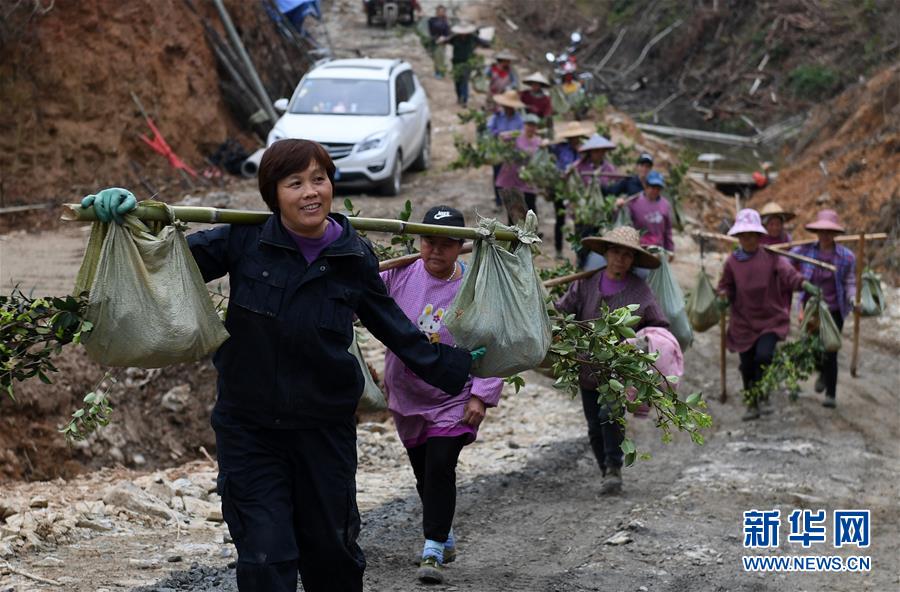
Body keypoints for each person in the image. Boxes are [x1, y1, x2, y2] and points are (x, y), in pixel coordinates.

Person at [79, 140, 485, 592]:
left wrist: (460, 365)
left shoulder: (353, 255)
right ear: (273, 195)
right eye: (295, 183)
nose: (311, 192)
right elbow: (163, 265)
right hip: (250, 429)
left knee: (333, 557)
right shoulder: (243, 239)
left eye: (319, 179)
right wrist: (128, 222)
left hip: (324, 430)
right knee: (266, 556)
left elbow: (394, 327)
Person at [379, 206, 504, 585]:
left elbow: (492, 341)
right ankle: (444, 532)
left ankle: (432, 547)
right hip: (406, 393)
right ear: (419, 240)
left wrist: (481, 395)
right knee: (423, 473)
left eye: (446, 244)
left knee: (440, 467)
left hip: (452, 395)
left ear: (461, 247)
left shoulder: (473, 288)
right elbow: (358, 295)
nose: (435, 251)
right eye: (428, 241)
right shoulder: (397, 275)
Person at [555, 226, 668, 494]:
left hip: (619, 370)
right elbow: (563, 311)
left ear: (633, 260)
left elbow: (658, 325)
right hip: (587, 367)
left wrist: (641, 343)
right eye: (616, 252)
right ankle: (605, 467)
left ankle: (614, 468)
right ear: (606, 253)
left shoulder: (639, 291)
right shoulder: (585, 283)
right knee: (594, 425)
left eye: (627, 255)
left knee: (610, 415)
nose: (620, 259)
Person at [716, 209, 819, 421]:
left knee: (763, 357)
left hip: (768, 319)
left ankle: (763, 391)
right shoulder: (732, 263)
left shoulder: (771, 257)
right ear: (738, 238)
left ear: (759, 236)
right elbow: (725, 285)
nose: (748, 240)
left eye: (752, 235)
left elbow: (789, 274)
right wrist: (723, 296)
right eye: (744, 236)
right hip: (743, 321)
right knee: (746, 364)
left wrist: (803, 283)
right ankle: (751, 403)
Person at [790, 209, 856, 409]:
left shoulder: (846, 256)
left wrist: (853, 297)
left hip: (834, 310)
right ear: (817, 232)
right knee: (811, 347)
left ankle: (831, 394)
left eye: (829, 231)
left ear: (835, 234)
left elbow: (850, 280)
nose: (825, 235)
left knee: (831, 348)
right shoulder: (806, 251)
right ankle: (822, 371)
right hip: (812, 309)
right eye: (822, 231)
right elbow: (785, 262)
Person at [547, 121, 594, 259]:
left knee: (579, 220)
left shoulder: (585, 151)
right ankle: (558, 249)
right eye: (572, 138)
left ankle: (580, 251)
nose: (575, 140)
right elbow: (550, 156)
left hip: (577, 190)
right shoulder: (560, 148)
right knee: (560, 218)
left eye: (577, 137)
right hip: (561, 188)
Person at [496, 113, 542, 223]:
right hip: (511, 179)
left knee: (530, 210)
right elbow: (501, 137)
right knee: (513, 213)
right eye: (528, 125)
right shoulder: (516, 136)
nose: (531, 128)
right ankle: (512, 237)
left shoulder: (538, 141)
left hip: (527, 180)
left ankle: (532, 234)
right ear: (524, 125)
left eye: (533, 125)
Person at [616, 170, 674, 255]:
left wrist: (670, 249)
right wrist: (618, 208)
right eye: (652, 187)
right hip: (639, 248)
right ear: (645, 186)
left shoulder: (665, 205)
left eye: (658, 188)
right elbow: (622, 221)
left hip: (658, 250)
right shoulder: (633, 202)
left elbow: (668, 230)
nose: (655, 190)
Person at [487, 89, 525, 209]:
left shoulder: (519, 119)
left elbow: (521, 134)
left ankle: (513, 199)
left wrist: (510, 135)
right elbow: (489, 128)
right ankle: (499, 201)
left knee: (512, 175)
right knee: (497, 174)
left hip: (513, 152)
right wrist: (498, 134)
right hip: (498, 150)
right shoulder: (497, 116)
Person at [443, 23, 488, 107]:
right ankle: (459, 96)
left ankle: (465, 100)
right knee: (457, 82)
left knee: (464, 81)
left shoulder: (472, 38)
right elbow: (446, 41)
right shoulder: (455, 38)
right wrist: (441, 40)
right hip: (456, 63)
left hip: (467, 63)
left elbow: (482, 42)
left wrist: (487, 43)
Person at [426, 5, 451, 78]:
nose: (441, 13)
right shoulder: (432, 20)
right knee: (436, 57)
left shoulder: (446, 21)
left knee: (441, 57)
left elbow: (448, 33)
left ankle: (441, 72)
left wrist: (444, 38)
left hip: (442, 42)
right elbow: (430, 31)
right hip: (434, 41)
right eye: (439, 11)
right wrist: (435, 39)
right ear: (436, 12)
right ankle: (437, 72)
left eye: (442, 11)